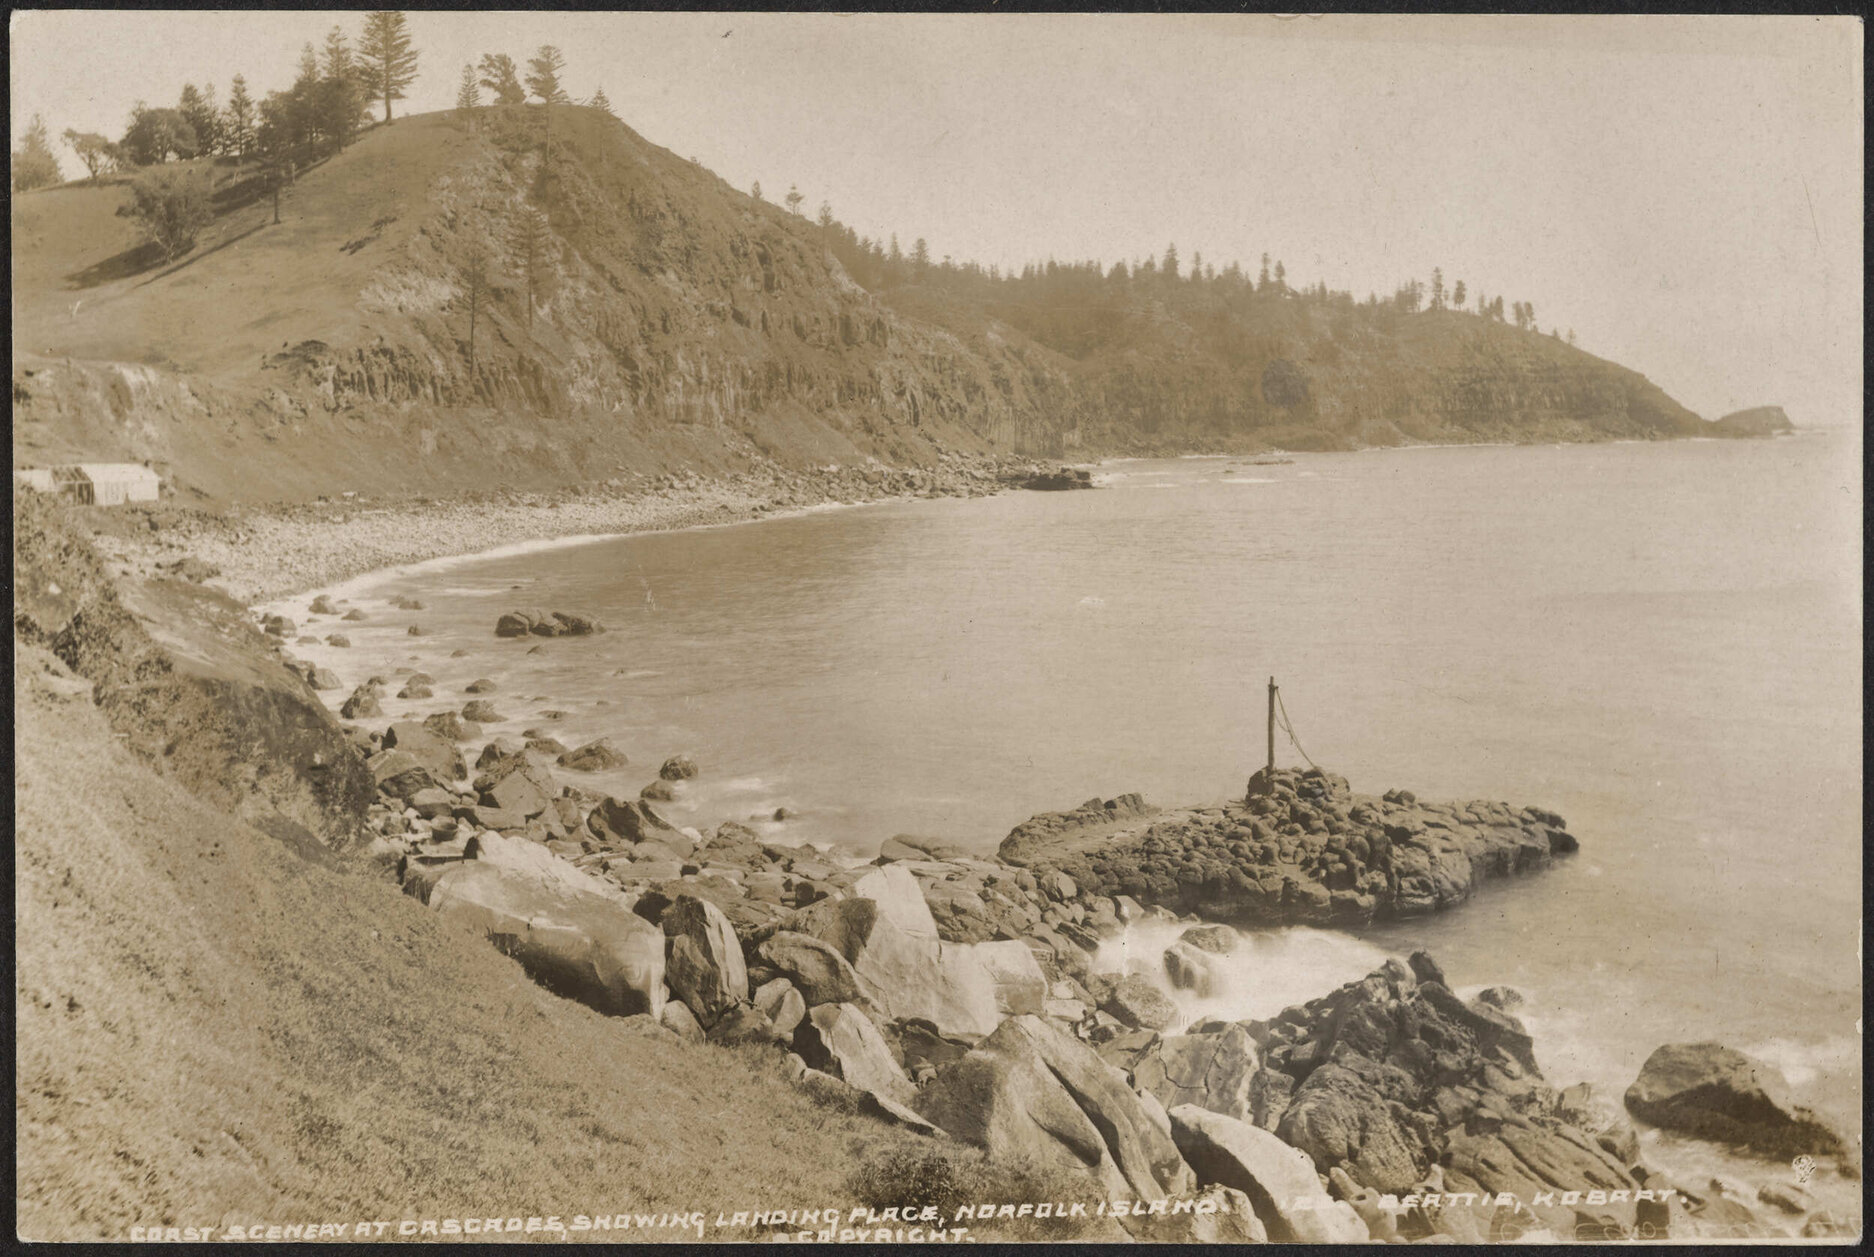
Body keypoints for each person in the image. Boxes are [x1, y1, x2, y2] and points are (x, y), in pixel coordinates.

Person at [1632, 1166, 1671, 1239]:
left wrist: (1636, 1222)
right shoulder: (1658, 1180)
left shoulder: (1647, 1184)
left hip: (1652, 1214)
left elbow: (1642, 1207)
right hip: (1663, 1211)